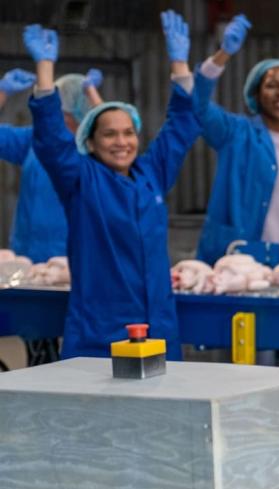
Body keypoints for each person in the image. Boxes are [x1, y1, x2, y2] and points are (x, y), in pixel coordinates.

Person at [24, 16, 200, 359]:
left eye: (128, 132)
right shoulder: (80, 178)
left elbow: (180, 127)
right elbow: (51, 139)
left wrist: (180, 64)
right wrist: (44, 70)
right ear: (90, 142)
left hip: (159, 325)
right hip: (101, 330)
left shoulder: (151, 174)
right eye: (109, 134)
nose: (122, 142)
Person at [193, 14, 279, 265]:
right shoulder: (236, 133)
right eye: (272, 85)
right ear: (256, 94)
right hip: (246, 264)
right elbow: (196, 106)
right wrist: (222, 55)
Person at [0, 67, 104, 262]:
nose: (50, 116)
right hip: (25, 255)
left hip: (75, 259)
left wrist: (95, 99)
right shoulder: (35, 141)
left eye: (59, 111)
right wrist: (2, 92)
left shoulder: (96, 152)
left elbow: (111, 132)